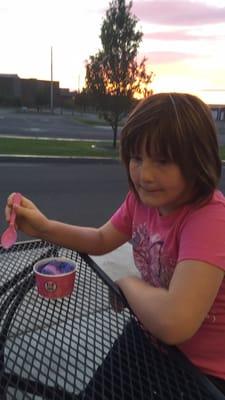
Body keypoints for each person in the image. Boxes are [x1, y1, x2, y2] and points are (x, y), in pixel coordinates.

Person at [5, 92, 225, 395]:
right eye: (136, 157)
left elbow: (176, 321)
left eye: (162, 160)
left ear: (197, 160)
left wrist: (128, 284)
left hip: (204, 374)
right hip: (151, 337)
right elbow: (100, 239)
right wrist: (44, 227)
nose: (145, 175)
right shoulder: (141, 202)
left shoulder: (210, 218)